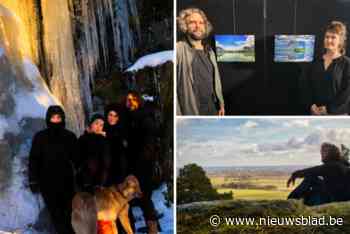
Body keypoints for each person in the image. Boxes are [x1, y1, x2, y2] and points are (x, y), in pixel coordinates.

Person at [28, 105, 77, 234]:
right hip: (47, 182)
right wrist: (33, 180)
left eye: (58, 117)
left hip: (67, 181)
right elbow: (34, 159)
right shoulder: (40, 137)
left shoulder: (70, 136)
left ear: (63, 119)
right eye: (53, 117)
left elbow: (77, 159)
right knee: (56, 215)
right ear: (48, 119)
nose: (55, 120)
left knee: (69, 213)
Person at [177, 8, 225, 116]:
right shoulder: (179, 50)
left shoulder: (209, 51)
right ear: (184, 26)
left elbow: (216, 80)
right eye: (192, 22)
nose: (198, 26)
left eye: (201, 22)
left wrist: (221, 103)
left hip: (213, 109)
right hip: (193, 112)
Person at [124, 91, 160, 234]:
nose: (130, 102)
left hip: (143, 169)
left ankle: (153, 230)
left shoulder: (145, 118)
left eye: (133, 99)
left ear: (139, 101)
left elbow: (148, 146)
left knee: (145, 200)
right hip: (133, 168)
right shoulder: (130, 118)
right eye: (128, 100)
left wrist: (140, 167)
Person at [301, 21, 350, 115]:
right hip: (315, 115)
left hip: (338, 117)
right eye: (327, 37)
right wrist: (311, 105)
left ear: (340, 40)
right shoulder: (314, 62)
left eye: (333, 37)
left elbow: (347, 93)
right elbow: (306, 87)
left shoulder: (347, 64)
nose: (329, 40)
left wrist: (329, 109)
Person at [74, 114, 111, 192]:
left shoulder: (104, 141)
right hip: (84, 182)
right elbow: (77, 159)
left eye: (101, 125)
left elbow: (106, 163)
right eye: (96, 123)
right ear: (91, 124)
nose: (98, 127)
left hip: (99, 183)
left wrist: (101, 183)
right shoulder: (82, 139)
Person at [104, 103, 128, 185]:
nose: (112, 118)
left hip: (118, 172)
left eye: (115, 116)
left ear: (118, 118)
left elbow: (124, 154)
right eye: (110, 115)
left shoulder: (122, 132)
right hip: (103, 172)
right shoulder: (101, 129)